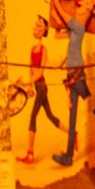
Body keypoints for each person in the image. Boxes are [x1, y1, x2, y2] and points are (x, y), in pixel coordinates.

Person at [19, 15, 62, 164]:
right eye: (35, 25)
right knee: (50, 116)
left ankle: (30, 154)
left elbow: (40, 72)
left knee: (33, 117)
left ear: (43, 30)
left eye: (38, 26)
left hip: (42, 87)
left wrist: (28, 82)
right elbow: (31, 68)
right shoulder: (32, 49)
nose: (35, 28)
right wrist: (29, 86)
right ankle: (73, 134)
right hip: (37, 87)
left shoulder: (44, 49)